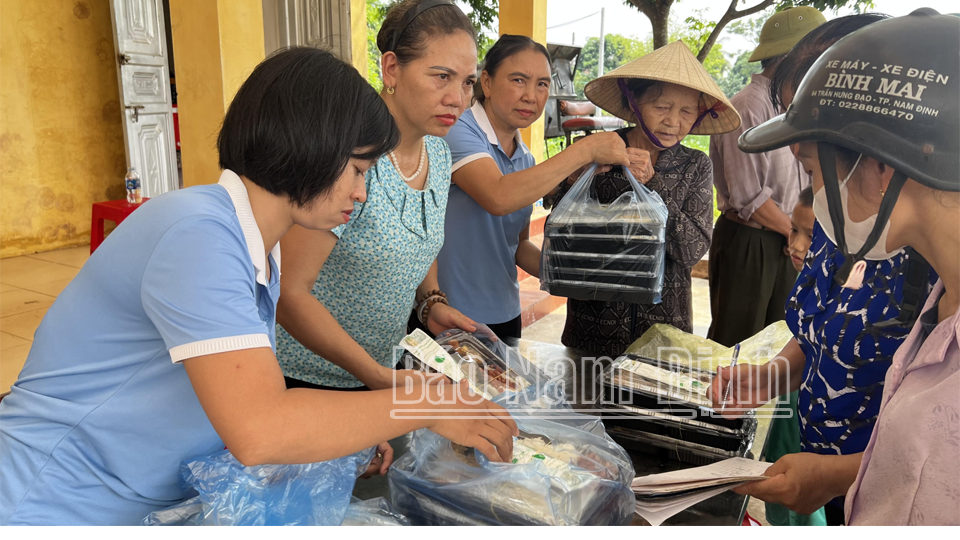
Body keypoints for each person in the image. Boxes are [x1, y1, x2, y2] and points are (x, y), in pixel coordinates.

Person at [0, 48, 517, 526]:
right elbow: (261, 427)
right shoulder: (197, 233)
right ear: (310, 146)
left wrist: (348, 434)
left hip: (138, 497)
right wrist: (424, 404)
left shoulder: (255, 244)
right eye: (358, 169)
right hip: (53, 501)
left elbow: (239, 396)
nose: (362, 192)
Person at [720, 9, 958, 525]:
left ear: (878, 162)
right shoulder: (862, 235)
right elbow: (818, 332)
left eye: (810, 165)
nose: (812, 194)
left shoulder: (929, 268)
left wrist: (839, 474)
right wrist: (768, 378)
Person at [276, 0, 480, 390]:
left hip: (384, 371)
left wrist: (431, 302)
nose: (458, 98)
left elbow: (422, 238)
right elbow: (290, 292)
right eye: (442, 76)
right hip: (308, 379)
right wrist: (376, 379)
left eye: (468, 82)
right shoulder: (347, 156)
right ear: (391, 69)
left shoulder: (437, 152)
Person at [438, 35, 636, 340]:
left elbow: (515, 245)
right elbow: (497, 195)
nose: (532, 96)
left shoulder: (525, 158)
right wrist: (585, 151)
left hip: (505, 313)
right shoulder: (458, 130)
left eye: (543, 84)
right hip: (450, 314)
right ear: (487, 83)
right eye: (519, 80)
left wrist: (574, 277)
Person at [557, 41, 741, 358]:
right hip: (593, 325)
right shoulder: (599, 149)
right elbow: (561, 224)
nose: (674, 121)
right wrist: (577, 175)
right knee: (586, 401)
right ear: (633, 103)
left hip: (663, 333)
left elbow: (692, 249)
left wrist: (653, 185)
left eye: (687, 111)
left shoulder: (695, 165)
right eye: (661, 107)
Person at [707, 6, 825, 347]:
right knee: (736, 342)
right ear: (792, 58)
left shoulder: (796, 106)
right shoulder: (747, 106)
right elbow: (749, 198)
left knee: (777, 340)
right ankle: (724, 403)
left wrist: (801, 235)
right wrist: (799, 233)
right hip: (751, 241)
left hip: (789, 238)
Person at [762, 186, 827, 527]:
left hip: (811, 409)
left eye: (811, 236)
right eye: (794, 230)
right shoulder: (807, 279)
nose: (796, 245)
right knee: (781, 479)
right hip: (789, 402)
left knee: (806, 498)